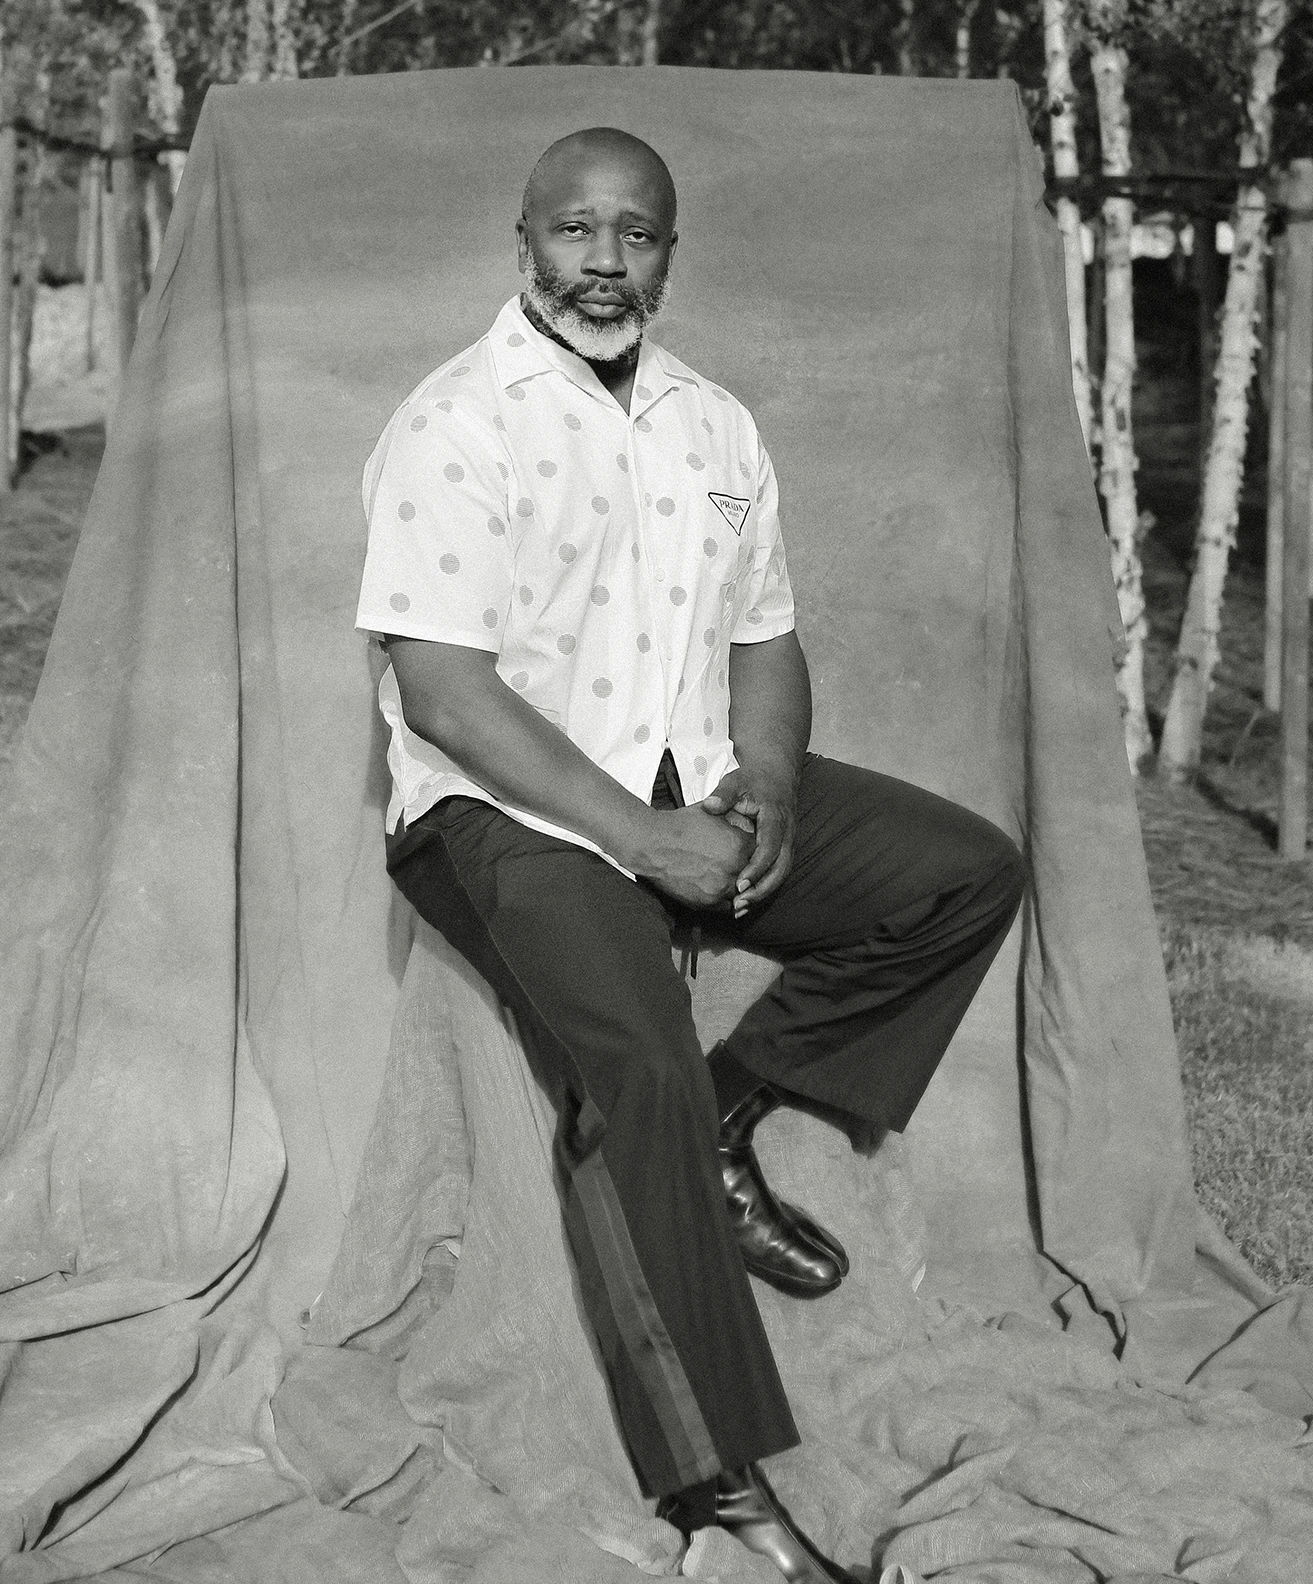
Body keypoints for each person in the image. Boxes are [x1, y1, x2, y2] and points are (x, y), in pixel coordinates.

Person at [355, 126, 1025, 1583]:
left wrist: (766, 786)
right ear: (522, 244)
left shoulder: (716, 424)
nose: (606, 260)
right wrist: (644, 838)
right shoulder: (455, 421)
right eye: (577, 231)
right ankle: (716, 1491)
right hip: (499, 813)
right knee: (629, 1073)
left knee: (963, 873)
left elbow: (766, 639)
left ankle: (733, 1124)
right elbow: (445, 696)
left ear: (670, 252)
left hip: (691, 768)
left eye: (637, 234)